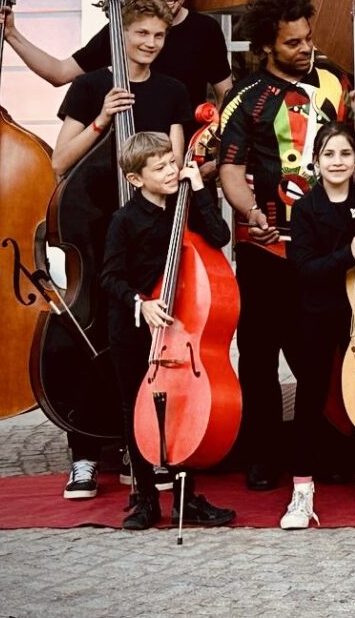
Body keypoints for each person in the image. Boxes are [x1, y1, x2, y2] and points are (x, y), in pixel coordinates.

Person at [51, 0, 194, 500]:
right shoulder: (91, 87)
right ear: (121, 33)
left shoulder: (172, 90)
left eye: (159, 35)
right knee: (98, 352)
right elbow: (60, 162)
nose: (151, 43)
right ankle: (84, 456)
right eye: (141, 34)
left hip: (152, 240)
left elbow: (176, 167)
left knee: (152, 354)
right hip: (98, 235)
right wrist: (103, 120)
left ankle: (149, 451)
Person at [217, 0, 352, 492]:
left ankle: (316, 449)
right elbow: (229, 170)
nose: (305, 49)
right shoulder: (245, 99)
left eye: (308, 39)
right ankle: (263, 453)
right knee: (259, 353)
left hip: (321, 245)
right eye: (293, 43)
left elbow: (350, 146)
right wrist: (251, 212)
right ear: (267, 47)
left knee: (319, 351)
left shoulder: (334, 80)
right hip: (265, 245)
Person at [100, 132, 236, 530]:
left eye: (171, 163)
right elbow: (109, 277)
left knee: (182, 405)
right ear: (136, 179)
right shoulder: (123, 221)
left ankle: (184, 497)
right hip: (134, 327)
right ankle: (144, 497)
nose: (171, 171)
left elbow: (220, 237)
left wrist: (199, 190)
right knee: (135, 411)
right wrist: (141, 303)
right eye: (159, 168)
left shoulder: (185, 203)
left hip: (180, 330)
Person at [278, 121, 355, 530]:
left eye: (345, 154)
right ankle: (301, 491)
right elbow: (305, 269)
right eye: (329, 154)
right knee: (311, 399)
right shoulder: (307, 208)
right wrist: (347, 252)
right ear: (315, 161)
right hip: (317, 313)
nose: (337, 161)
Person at [0, 0, 232, 105]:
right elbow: (59, 73)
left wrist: (213, 150)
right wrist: (11, 34)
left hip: (188, 159)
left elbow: (226, 95)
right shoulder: (121, 29)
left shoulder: (206, 30)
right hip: (135, 155)